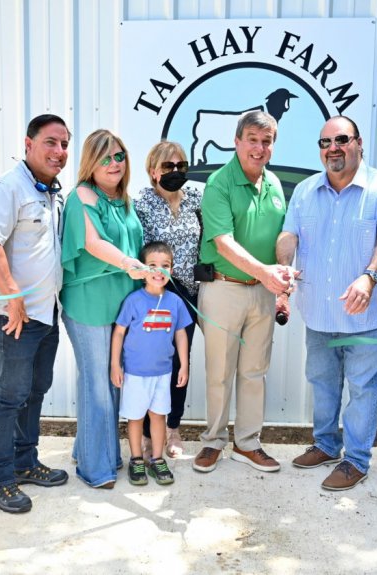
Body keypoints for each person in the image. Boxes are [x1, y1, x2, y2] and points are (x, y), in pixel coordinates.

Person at [276, 116, 377, 491]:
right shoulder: (304, 190)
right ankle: (326, 444)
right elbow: (288, 234)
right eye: (325, 142)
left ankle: (356, 460)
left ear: (358, 143)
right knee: (323, 381)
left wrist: (369, 277)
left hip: (367, 312)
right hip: (319, 311)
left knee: (363, 388)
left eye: (342, 139)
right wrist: (284, 268)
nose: (333, 148)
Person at [0, 114, 71, 513]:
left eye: (65, 144)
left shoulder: (53, 192)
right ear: (28, 144)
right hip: (14, 315)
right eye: (51, 142)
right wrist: (13, 297)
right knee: (10, 396)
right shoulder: (7, 188)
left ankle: (25, 461)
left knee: (35, 391)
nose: (60, 152)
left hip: (46, 314)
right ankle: (0, 478)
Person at [192, 110, 293, 475]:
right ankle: (213, 441)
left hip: (263, 293)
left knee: (254, 371)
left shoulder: (275, 184)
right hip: (224, 288)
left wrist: (282, 275)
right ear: (237, 142)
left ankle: (248, 444)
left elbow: (282, 236)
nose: (259, 147)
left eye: (266, 141)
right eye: (252, 139)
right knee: (220, 371)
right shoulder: (219, 183)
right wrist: (266, 273)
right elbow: (223, 243)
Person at [60, 129, 147, 488]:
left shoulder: (125, 201)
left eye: (119, 156)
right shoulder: (82, 195)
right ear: (91, 163)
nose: (114, 164)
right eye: (106, 157)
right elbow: (93, 243)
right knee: (98, 384)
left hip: (121, 305)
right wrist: (129, 263)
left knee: (112, 382)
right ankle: (96, 469)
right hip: (90, 304)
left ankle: (92, 450)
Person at [133, 140, 201, 459]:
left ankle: (172, 428)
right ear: (153, 171)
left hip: (187, 298)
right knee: (154, 363)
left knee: (179, 364)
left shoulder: (196, 199)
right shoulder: (141, 203)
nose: (175, 172)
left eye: (180, 166)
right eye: (167, 167)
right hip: (156, 295)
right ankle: (148, 433)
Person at [110, 241, 192, 486]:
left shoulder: (175, 302)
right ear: (142, 270)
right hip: (135, 373)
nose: (159, 271)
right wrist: (116, 364)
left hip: (163, 373)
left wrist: (184, 365)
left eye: (165, 266)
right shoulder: (134, 300)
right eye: (152, 265)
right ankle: (136, 459)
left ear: (172, 270)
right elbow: (119, 333)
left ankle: (157, 459)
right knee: (135, 418)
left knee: (158, 417)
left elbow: (180, 335)